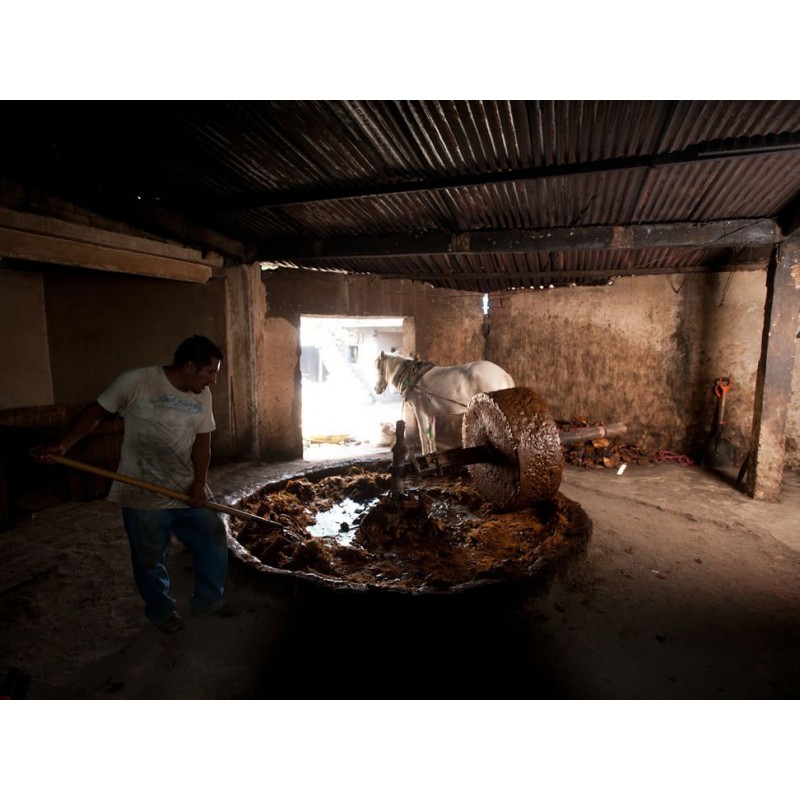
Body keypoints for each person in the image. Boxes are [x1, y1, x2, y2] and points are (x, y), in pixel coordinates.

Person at [31, 335, 237, 634]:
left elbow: (203, 442)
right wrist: (62, 446)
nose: (213, 380)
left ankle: (208, 601)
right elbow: (95, 413)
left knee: (213, 533)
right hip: (142, 490)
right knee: (150, 557)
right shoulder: (137, 381)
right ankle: (161, 612)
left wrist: (199, 484)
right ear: (190, 366)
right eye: (210, 372)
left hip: (185, 486)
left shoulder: (202, 394)